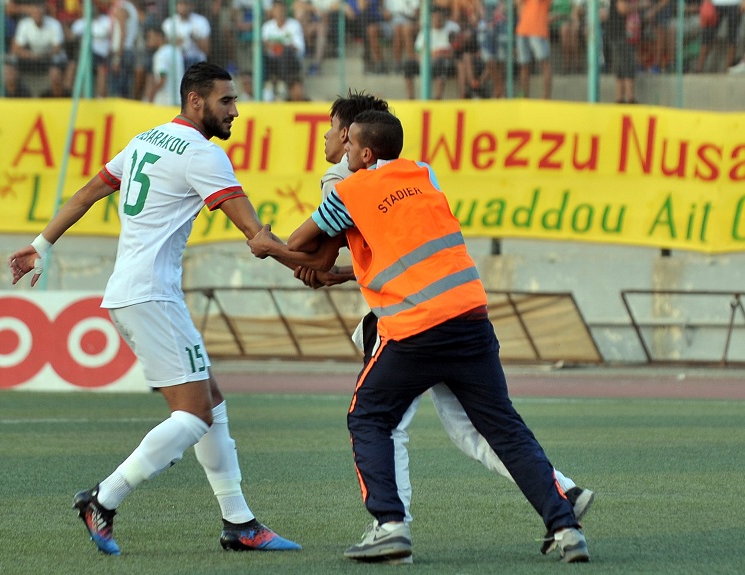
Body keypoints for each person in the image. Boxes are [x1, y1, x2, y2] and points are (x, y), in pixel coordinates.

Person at [250, 104, 593, 563]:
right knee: (503, 429)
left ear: (365, 152)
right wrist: (341, 272)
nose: (339, 149)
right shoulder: (424, 173)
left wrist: (266, 245)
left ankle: (390, 525)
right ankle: (566, 526)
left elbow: (300, 248)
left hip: (414, 326)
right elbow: (400, 243)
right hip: (470, 315)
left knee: (368, 416)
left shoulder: (348, 188)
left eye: (346, 141)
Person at [8, 62, 300, 556]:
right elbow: (258, 238)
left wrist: (41, 243)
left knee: (212, 402)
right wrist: (321, 268)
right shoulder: (203, 155)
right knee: (194, 416)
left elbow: (88, 192)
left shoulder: (146, 139)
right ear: (195, 101)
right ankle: (104, 498)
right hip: (152, 296)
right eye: (226, 101)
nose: (235, 110)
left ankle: (240, 523)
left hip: (132, 291)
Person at [514, 0, 552, 99]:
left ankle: (546, 98)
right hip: (523, 29)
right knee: (523, 65)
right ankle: (524, 97)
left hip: (538, 30)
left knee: (544, 64)